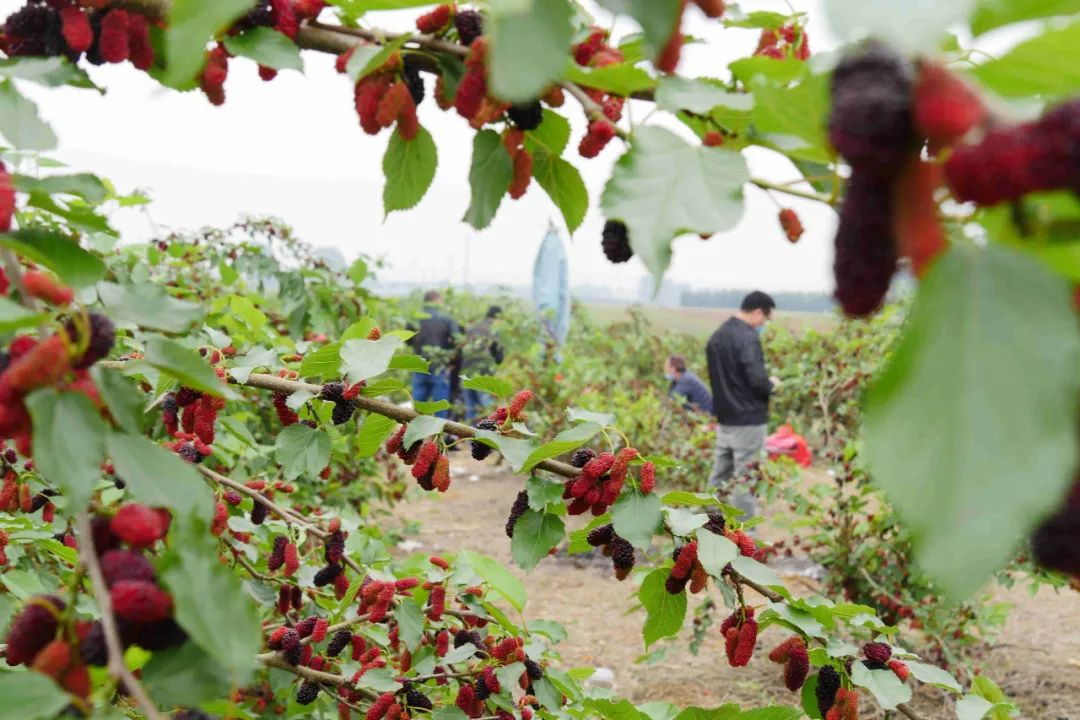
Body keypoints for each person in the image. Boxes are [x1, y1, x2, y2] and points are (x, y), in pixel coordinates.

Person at [705, 291, 780, 519]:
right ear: (758, 312)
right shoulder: (747, 337)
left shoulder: (717, 335)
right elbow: (757, 379)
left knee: (720, 476)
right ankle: (745, 537)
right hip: (748, 419)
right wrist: (772, 385)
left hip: (725, 417)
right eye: (766, 319)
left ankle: (707, 526)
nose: (765, 325)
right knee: (745, 479)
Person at [409, 290, 460, 419]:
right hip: (439, 365)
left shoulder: (416, 318)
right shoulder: (447, 318)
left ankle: (413, 434)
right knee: (440, 405)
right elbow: (457, 340)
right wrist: (452, 360)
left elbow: (407, 338)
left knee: (418, 403)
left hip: (418, 363)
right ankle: (438, 435)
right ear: (437, 300)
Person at [460, 305, 505, 420]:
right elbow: (499, 357)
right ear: (498, 317)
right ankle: (489, 435)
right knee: (488, 408)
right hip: (483, 373)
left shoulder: (472, 328)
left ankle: (470, 436)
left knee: (470, 408)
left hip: (466, 370)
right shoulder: (494, 330)